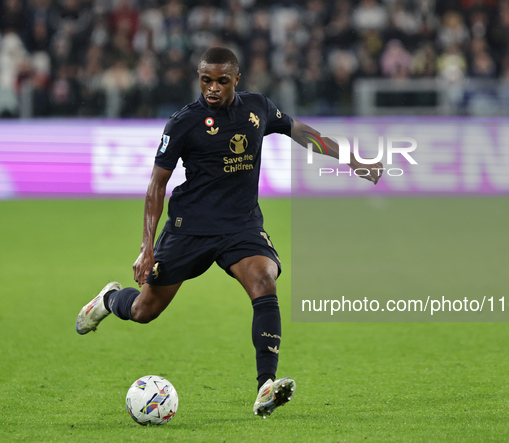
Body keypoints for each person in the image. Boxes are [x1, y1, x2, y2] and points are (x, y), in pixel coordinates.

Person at [75, 47, 382, 418]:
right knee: (143, 311)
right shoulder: (183, 123)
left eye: (222, 80)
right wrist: (146, 248)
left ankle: (265, 386)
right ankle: (109, 301)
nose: (213, 88)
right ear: (199, 79)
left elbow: (303, 134)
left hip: (241, 225)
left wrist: (353, 159)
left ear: (237, 79)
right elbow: (157, 186)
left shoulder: (258, 108)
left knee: (264, 281)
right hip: (190, 229)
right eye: (206, 80)